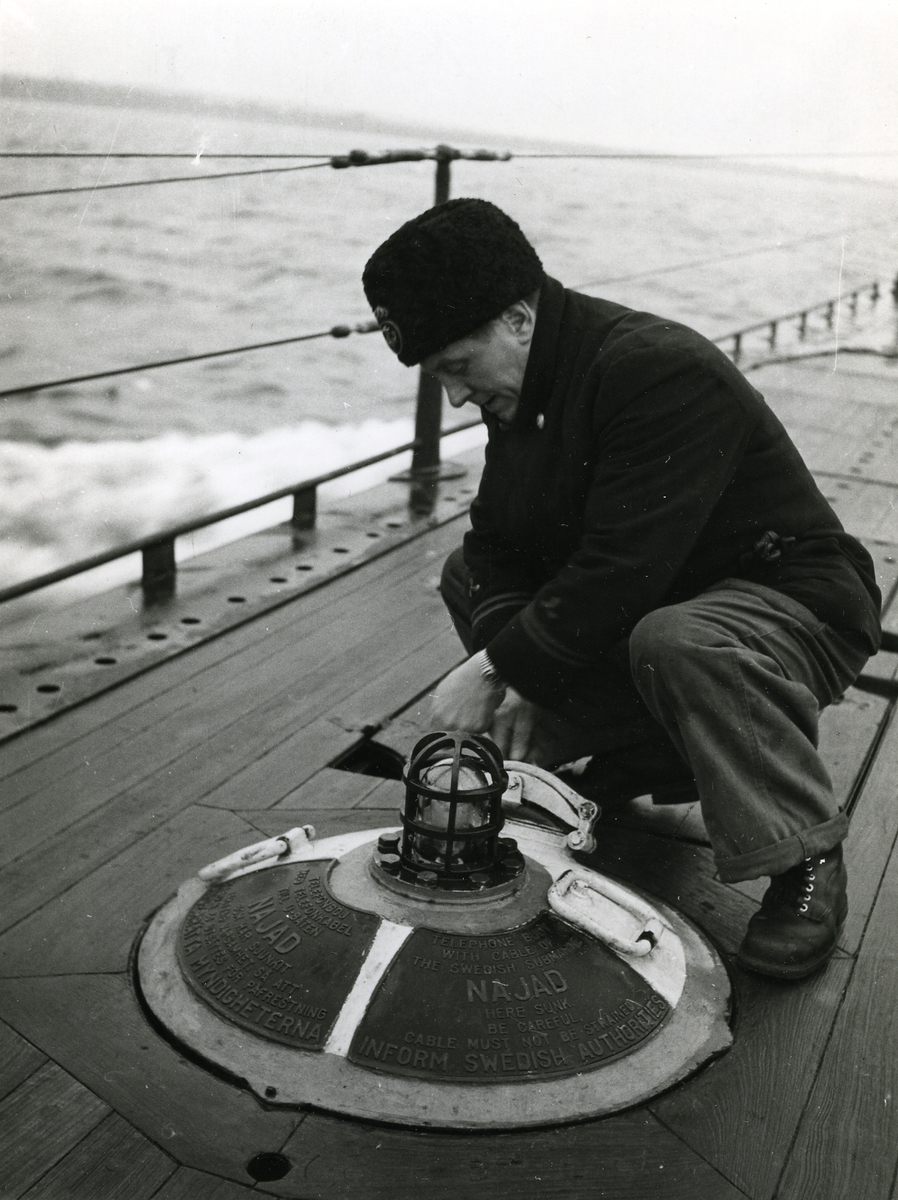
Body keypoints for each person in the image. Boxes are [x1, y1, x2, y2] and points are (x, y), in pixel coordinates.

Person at [362, 198, 881, 980]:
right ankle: (651, 749)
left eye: (457, 369)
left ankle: (804, 852)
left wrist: (500, 670)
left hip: (788, 600)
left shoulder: (651, 366)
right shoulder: (529, 385)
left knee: (675, 640)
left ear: (518, 319)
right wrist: (523, 676)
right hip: (661, 607)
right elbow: (497, 550)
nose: (457, 400)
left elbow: (625, 568)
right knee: (466, 579)